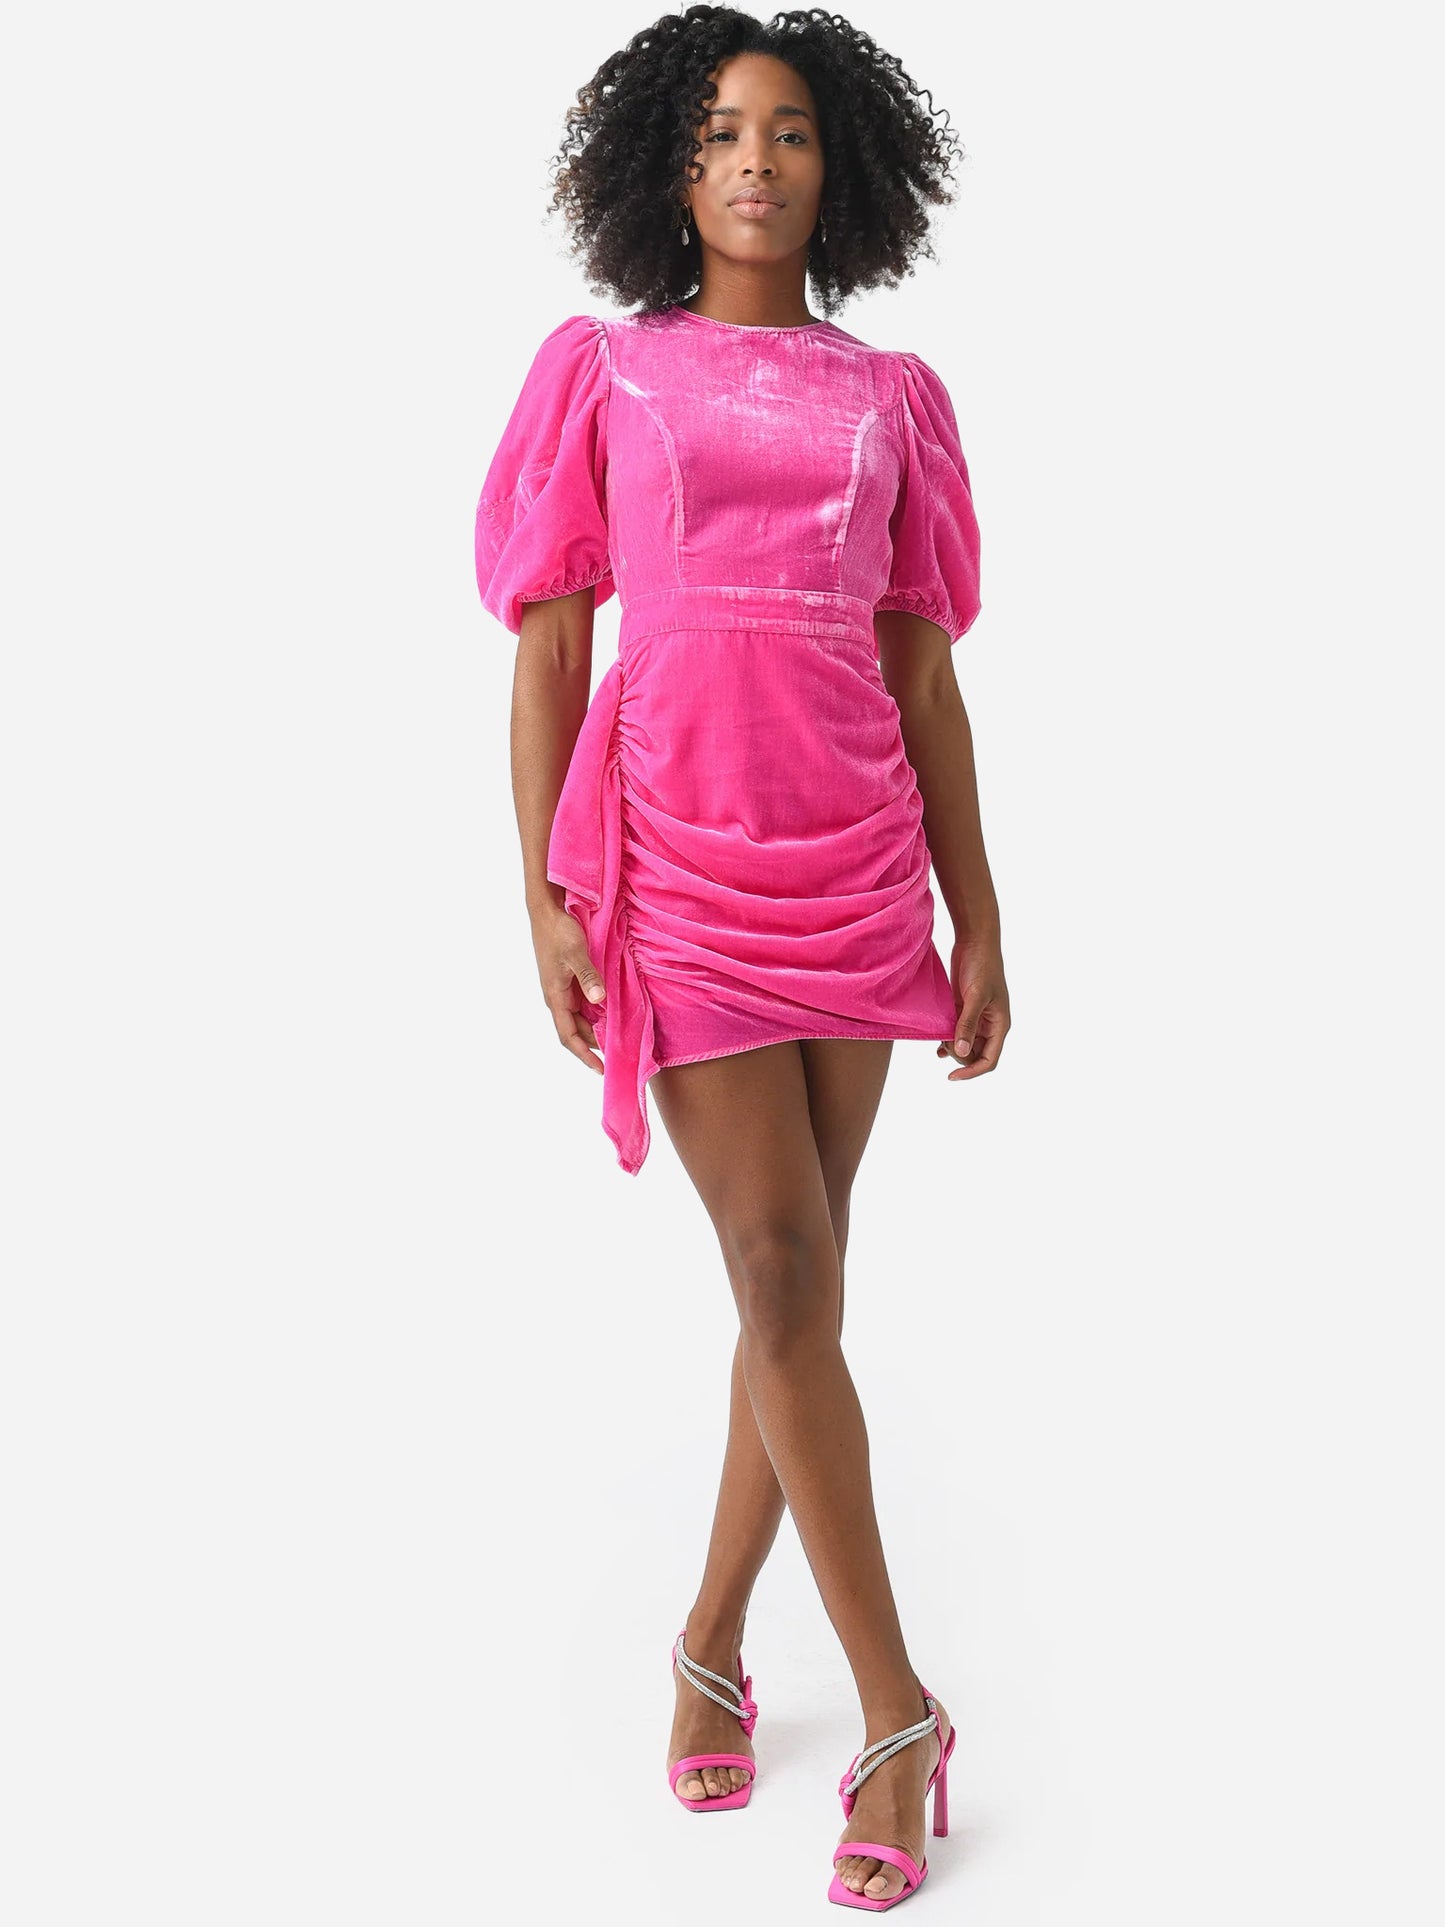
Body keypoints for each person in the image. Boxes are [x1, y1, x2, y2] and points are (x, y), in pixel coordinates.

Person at [473, 8, 1009, 1909]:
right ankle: (896, 1714)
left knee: (800, 1301)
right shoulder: (606, 373)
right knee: (780, 1269)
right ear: (666, 171)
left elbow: (922, 677)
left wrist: (979, 908)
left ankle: (707, 1637)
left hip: (853, 861)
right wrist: (541, 894)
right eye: (715, 133)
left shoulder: (892, 398)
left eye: (786, 131)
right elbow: (552, 646)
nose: (754, 162)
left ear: (837, 167)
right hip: (677, 861)